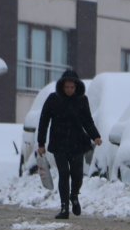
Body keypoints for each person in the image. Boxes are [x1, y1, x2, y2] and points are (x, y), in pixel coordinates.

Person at [37, 69, 102, 219]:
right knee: (64, 174)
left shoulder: (82, 100)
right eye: (66, 87)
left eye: (72, 87)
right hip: (59, 144)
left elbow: (87, 121)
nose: (69, 90)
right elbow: (44, 121)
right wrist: (41, 143)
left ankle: (74, 196)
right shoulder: (53, 99)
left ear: (76, 87)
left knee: (77, 175)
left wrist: (95, 136)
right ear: (62, 86)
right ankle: (64, 207)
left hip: (77, 143)